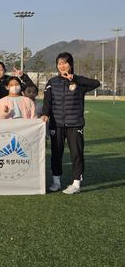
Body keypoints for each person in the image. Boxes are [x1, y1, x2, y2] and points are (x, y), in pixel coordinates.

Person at [42, 52, 100, 194]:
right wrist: (45, 114)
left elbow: (96, 83)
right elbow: (47, 101)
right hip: (56, 125)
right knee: (56, 154)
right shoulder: (52, 83)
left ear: (71, 64)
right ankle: (56, 181)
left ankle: (76, 183)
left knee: (76, 153)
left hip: (75, 124)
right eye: (59, 63)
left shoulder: (79, 83)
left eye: (65, 63)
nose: (62, 66)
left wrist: (75, 78)